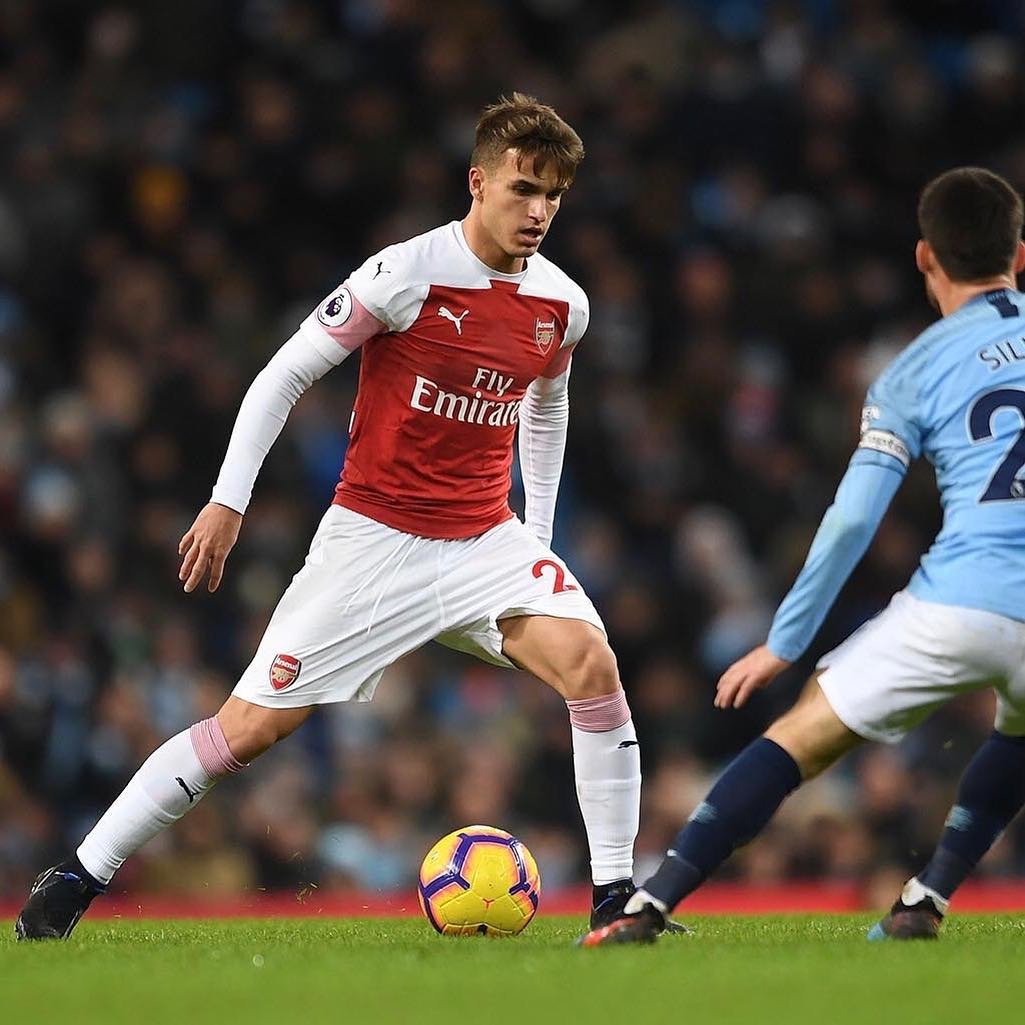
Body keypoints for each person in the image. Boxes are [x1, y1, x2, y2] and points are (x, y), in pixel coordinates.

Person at [17, 93, 649, 940]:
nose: (538, 211)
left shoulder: (561, 304)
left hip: (482, 540)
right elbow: (283, 374)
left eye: (554, 197)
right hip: (373, 543)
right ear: (478, 181)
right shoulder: (405, 274)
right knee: (245, 730)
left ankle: (616, 902)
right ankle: (72, 882)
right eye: (523, 188)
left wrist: (533, 537)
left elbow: (546, 405)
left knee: (591, 662)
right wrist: (227, 500)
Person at [580, 166, 1025, 946]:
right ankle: (925, 898)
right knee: (1017, 734)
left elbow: (853, 519)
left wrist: (784, 642)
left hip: (961, 596)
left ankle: (649, 905)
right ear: (1018, 255)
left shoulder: (909, 371)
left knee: (802, 733)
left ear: (925, 258)